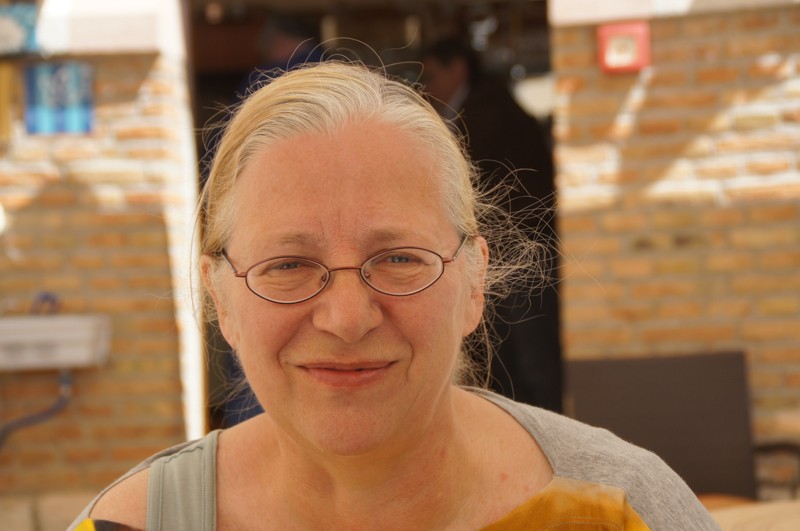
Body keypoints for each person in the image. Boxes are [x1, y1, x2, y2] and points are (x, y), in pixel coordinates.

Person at [70, 62, 718, 530]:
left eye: (400, 259)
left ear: (474, 283)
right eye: (288, 264)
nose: (348, 318)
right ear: (221, 297)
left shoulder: (622, 510)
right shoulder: (133, 523)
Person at [421, 37, 562, 412]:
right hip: (508, 254)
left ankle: (540, 438)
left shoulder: (485, 116)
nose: (426, 88)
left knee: (529, 362)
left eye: (432, 75)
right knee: (514, 360)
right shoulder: (478, 110)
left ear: (458, 69)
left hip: (519, 254)